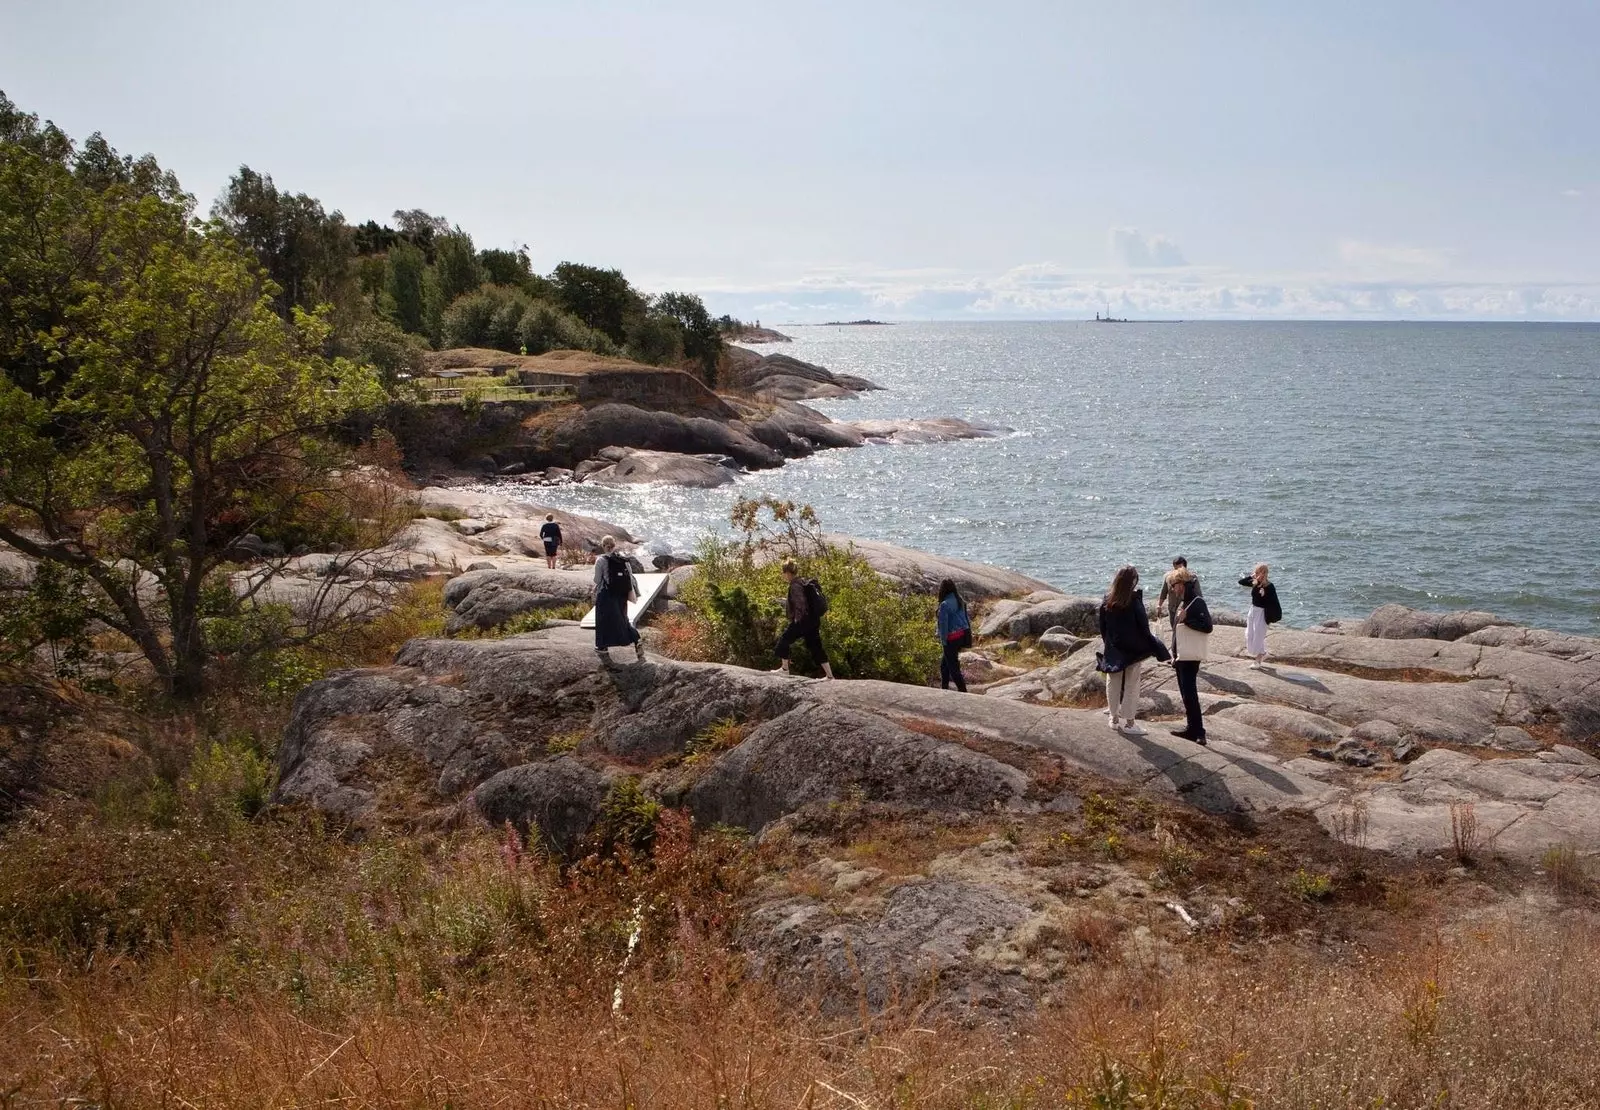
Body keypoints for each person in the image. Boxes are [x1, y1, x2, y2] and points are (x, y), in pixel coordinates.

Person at [1097, 565, 1169, 735]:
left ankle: (1113, 719)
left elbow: (1103, 626)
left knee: (1112, 682)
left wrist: (1109, 643)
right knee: (1131, 685)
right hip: (1133, 649)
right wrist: (1153, 644)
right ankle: (1130, 723)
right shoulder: (1134, 600)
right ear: (1133, 581)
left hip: (1114, 647)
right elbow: (1143, 626)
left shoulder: (1108, 599)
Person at [1167, 568, 1211, 744]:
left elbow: (1208, 626)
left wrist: (1187, 620)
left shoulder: (1197, 602)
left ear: (1182, 584)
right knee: (1186, 694)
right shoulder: (1184, 601)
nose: (1172, 589)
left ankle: (1199, 732)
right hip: (1181, 656)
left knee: (1190, 694)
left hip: (1190, 657)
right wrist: (1173, 653)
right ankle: (1191, 728)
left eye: (1174, 585)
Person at [773, 561, 835, 679]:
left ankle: (785, 669)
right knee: (816, 646)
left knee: (784, 640)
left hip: (803, 621)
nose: (783, 575)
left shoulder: (794, 585)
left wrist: (797, 619)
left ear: (788, 573)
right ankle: (830, 676)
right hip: (813, 620)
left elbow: (800, 603)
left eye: (784, 573)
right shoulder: (802, 581)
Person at [592, 536, 644, 666]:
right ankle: (636, 639)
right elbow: (630, 578)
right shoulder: (623, 560)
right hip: (621, 595)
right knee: (622, 618)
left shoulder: (601, 560)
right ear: (614, 545)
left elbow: (597, 580)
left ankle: (602, 647)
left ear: (603, 546)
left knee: (603, 620)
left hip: (606, 594)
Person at [1238, 563, 1280, 668]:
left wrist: (1264, 595)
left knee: (1258, 635)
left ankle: (1259, 658)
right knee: (1249, 633)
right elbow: (1241, 582)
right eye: (1256, 572)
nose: (1257, 574)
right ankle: (1262, 653)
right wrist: (1252, 576)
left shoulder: (1269, 586)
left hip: (1262, 613)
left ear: (1264, 573)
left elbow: (1273, 602)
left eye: (1259, 572)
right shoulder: (1255, 583)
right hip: (1252, 610)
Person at [936, 578, 970, 692]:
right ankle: (944, 689)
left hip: (950, 639)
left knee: (953, 668)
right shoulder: (959, 600)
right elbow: (966, 619)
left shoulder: (944, 604)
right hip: (961, 636)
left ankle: (963, 691)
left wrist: (943, 640)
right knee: (944, 666)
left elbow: (943, 624)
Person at [1154, 555, 1201, 622]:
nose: (1178, 571)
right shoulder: (1168, 577)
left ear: (1185, 567)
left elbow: (1199, 596)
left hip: (1186, 611)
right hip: (1172, 609)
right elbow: (1163, 592)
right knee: (1174, 629)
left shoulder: (1192, 578)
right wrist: (1159, 605)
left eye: (1180, 568)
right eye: (1176, 568)